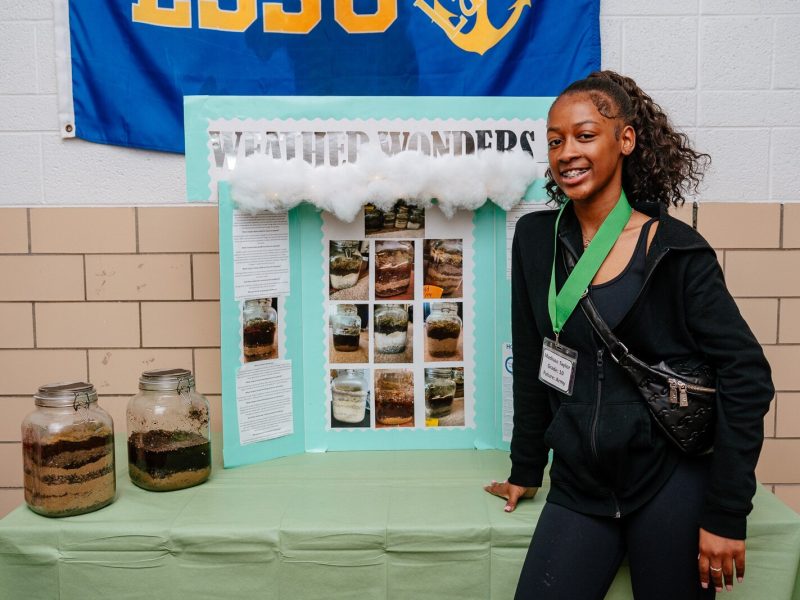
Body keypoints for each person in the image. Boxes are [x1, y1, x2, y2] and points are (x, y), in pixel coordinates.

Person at [485, 70, 774, 599]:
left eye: (585, 135)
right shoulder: (533, 240)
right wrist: (527, 467)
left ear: (626, 140)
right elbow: (533, 360)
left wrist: (727, 512)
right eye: (555, 141)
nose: (567, 151)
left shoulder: (676, 250)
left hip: (670, 481)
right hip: (579, 485)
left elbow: (747, 374)